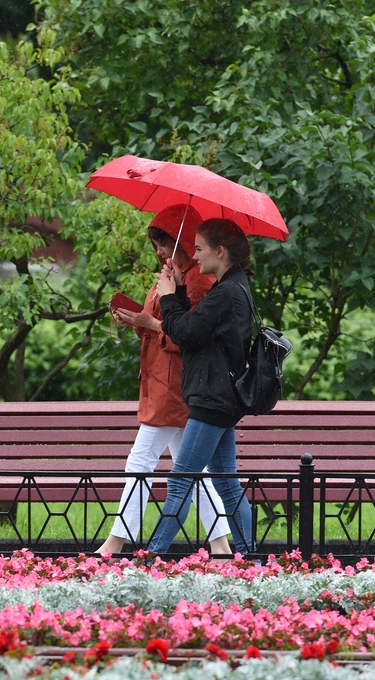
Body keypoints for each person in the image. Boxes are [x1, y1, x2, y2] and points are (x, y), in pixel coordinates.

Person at [95, 205, 232, 557]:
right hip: (161, 382)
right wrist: (139, 320)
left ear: (183, 241)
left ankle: (115, 543)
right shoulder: (174, 275)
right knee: (193, 470)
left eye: (164, 242)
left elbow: (187, 337)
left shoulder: (198, 281)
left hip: (175, 387)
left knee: (140, 462)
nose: (158, 250)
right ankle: (220, 545)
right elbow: (163, 325)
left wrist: (153, 319)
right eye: (155, 243)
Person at [145, 218, 256, 557]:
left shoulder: (225, 293)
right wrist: (177, 290)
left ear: (220, 252)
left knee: (181, 480)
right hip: (221, 398)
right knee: (225, 483)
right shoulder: (235, 287)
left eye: (201, 248)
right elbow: (195, 328)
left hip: (212, 398)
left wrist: (167, 297)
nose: (195, 254)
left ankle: (153, 557)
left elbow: (186, 332)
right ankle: (250, 557)